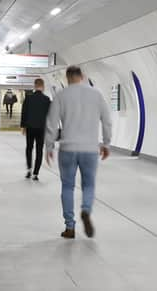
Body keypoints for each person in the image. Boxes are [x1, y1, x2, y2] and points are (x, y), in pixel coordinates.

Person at [45, 66, 112, 239]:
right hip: (90, 149)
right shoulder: (96, 95)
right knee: (88, 185)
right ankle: (86, 210)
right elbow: (107, 121)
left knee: (67, 186)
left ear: (67, 78)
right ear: (82, 76)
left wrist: (49, 147)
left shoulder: (61, 95)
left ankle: (69, 227)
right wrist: (106, 144)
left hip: (67, 148)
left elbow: (52, 124)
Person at [20, 79, 50, 181]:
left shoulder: (28, 98)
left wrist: (23, 126)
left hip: (30, 127)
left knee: (29, 148)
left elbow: (24, 113)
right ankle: (36, 173)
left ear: (35, 86)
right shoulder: (46, 99)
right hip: (41, 128)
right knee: (39, 150)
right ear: (43, 86)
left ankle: (29, 169)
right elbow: (50, 115)